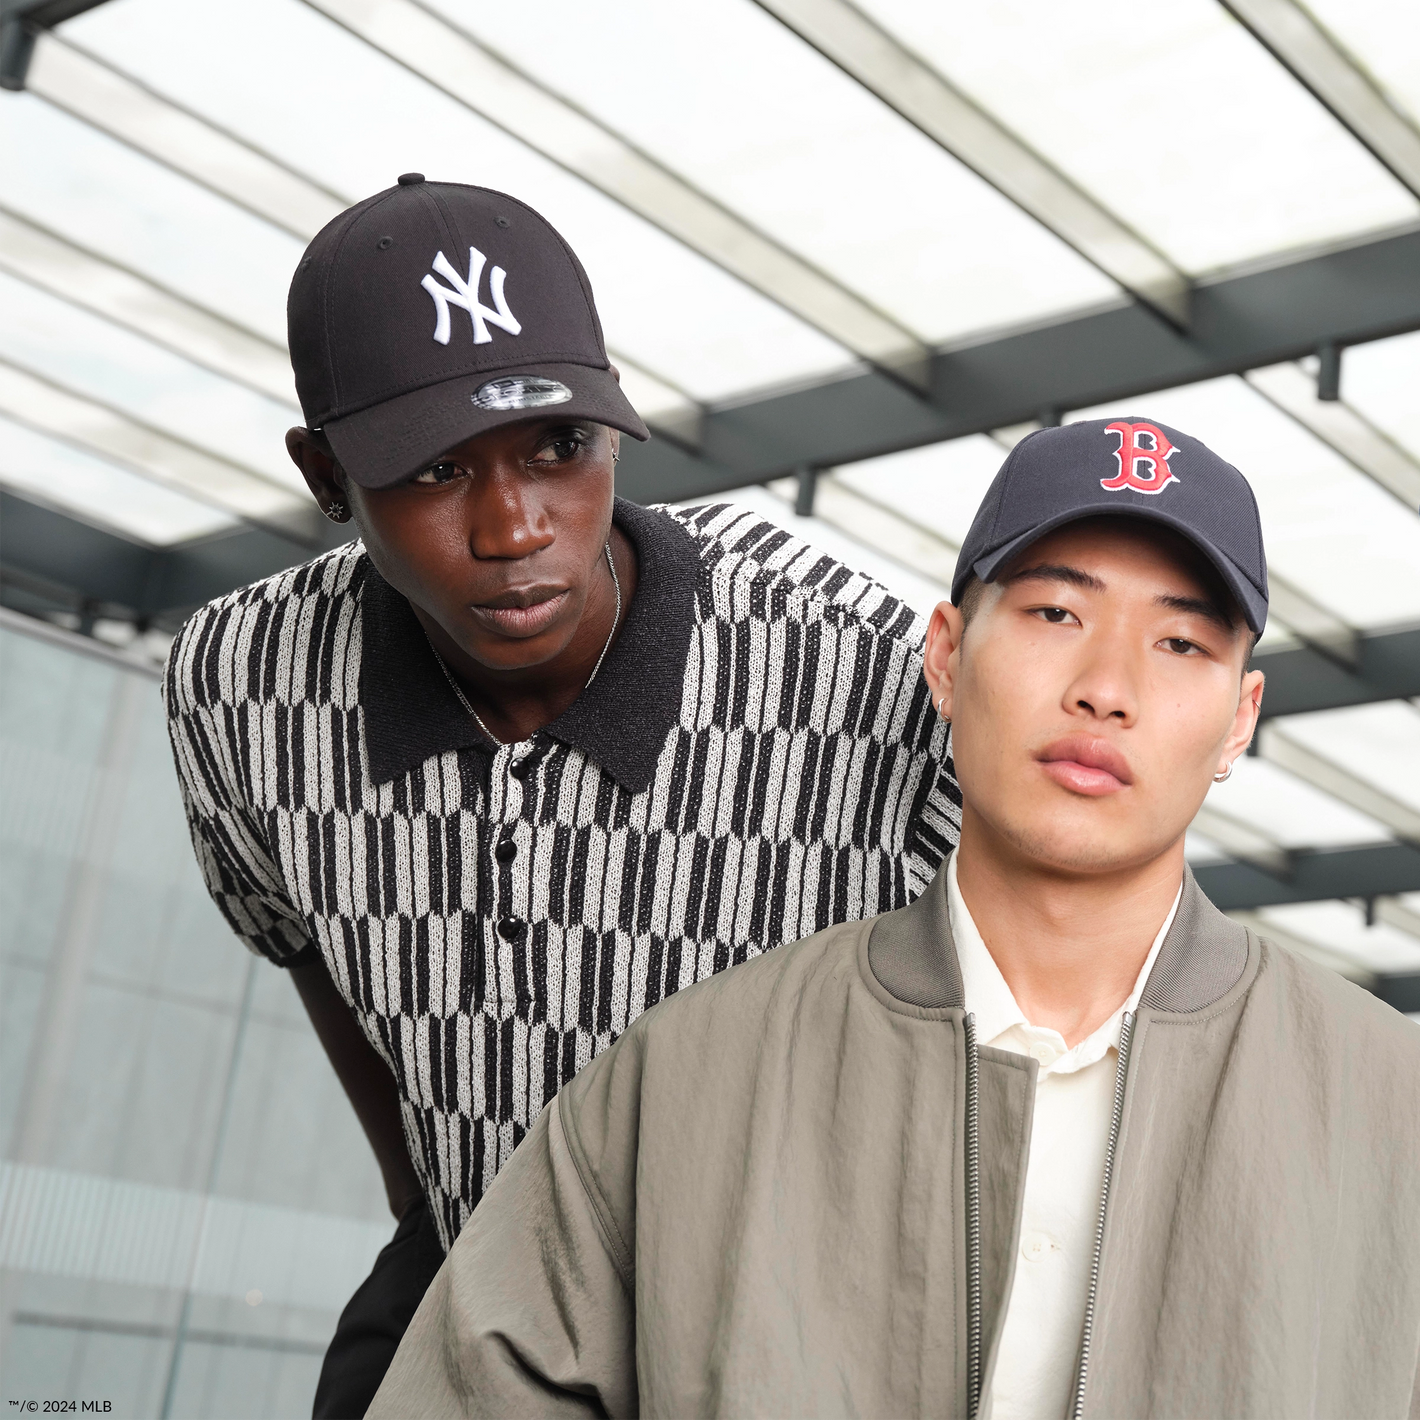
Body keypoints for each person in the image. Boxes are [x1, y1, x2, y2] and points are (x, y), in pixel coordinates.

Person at [366, 418, 1420, 1420]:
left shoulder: (1389, 1110)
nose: (1107, 687)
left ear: (1240, 718)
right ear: (947, 657)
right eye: (1056, 613)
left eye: (1182, 643)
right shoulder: (690, 1076)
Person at [162, 174, 960, 1417]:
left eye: (558, 447)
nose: (514, 525)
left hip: (789, 1326)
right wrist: (430, 1196)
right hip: (475, 1276)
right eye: (433, 470)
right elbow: (297, 937)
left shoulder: (863, 665)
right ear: (326, 476)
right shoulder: (242, 688)